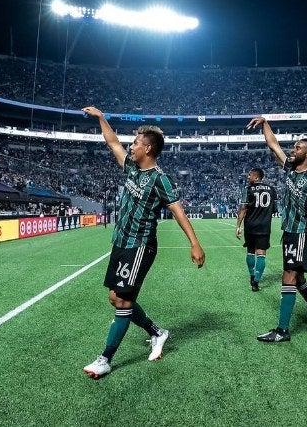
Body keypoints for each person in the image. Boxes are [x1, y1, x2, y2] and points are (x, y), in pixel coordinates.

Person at [81, 106, 206, 378]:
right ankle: (156, 332)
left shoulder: (161, 179)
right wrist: (102, 118)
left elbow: (177, 211)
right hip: (121, 241)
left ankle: (105, 359)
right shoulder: (131, 167)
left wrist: (194, 243)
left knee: (124, 301)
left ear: (148, 148)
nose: (131, 145)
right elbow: (112, 142)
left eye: (136, 142)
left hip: (140, 245)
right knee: (115, 297)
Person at [247, 117, 307, 343]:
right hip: (290, 231)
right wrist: (265, 123)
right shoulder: (291, 169)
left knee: (289, 276)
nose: (294, 149)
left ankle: (282, 331)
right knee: (298, 277)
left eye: (298, 147)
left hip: (302, 232)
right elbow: (273, 144)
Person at [235, 168, 277, 292]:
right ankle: (256, 282)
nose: (248, 177)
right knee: (261, 254)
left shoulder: (247, 190)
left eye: (250, 175)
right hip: (264, 227)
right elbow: (274, 210)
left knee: (250, 251)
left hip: (250, 226)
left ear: (257, 177)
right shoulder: (272, 190)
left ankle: (252, 276)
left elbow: (243, 209)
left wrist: (238, 226)